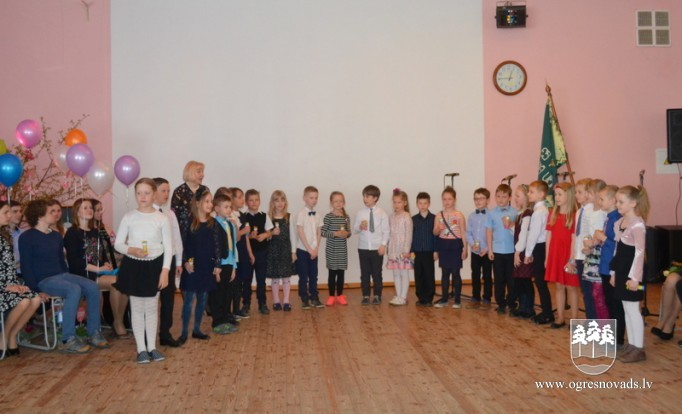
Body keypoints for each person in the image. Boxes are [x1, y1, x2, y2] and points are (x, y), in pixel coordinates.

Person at [20, 199, 110, 354]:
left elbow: (61, 261)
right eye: (51, 212)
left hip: (62, 275)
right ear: (40, 216)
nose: (56, 214)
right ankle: (67, 339)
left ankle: (93, 332)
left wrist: (67, 276)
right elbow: (26, 266)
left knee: (92, 286)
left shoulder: (55, 236)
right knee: (73, 289)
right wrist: (35, 290)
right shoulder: (27, 237)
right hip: (43, 280)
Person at [114, 178, 172, 363]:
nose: (143, 197)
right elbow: (118, 244)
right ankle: (141, 349)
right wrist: (132, 250)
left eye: (147, 193)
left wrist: (165, 271)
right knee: (137, 308)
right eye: (139, 193)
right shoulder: (129, 217)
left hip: (155, 266)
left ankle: (152, 347)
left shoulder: (162, 218)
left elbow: (168, 247)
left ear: (153, 194)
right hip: (134, 265)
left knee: (152, 307)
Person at [63, 199, 129, 338]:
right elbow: (75, 262)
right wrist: (98, 269)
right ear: (77, 212)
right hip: (82, 274)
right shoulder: (72, 233)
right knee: (116, 282)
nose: (90, 210)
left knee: (124, 281)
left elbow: (102, 255)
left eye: (90, 208)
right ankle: (117, 323)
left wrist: (106, 264)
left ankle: (119, 320)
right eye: (85, 208)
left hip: (98, 272)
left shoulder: (94, 232)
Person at [612, 185, 650, 363]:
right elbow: (617, 250)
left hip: (633, 272)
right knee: (626, 308)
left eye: (621, 202)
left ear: (633, 203)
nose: (617, 204)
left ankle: (639, 348)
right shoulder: (620, 223)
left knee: (633, 309)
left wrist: (635, 278)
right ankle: (632, 344)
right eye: (617, 201)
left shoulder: (638, 225)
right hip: (621, 270)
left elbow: (640, 253)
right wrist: (613, 272)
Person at [179, 188, 223, 342]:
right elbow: (183, 244)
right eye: (207, 201)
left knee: (202, 299)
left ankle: (196, 330)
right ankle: (184, 332)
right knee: (188, 300)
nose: (210, 204)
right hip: (192, 266)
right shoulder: (189, 222)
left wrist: (217, 264)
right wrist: (186, 262)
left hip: (206, 266)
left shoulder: (213, 223)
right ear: (197, 203)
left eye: (211, 201)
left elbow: (217, 245)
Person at [0, 201, 41, 357]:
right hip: (2, 289)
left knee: (35, 299)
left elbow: (8, 268)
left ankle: (11, 335)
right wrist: (5, 287)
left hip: (9, 285)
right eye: (6, 212)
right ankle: (3, 337)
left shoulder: (4, 236)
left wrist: (16, 285)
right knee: (22, 301)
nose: (9, 215)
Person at [153, 178, 184, 347]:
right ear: (154, 192)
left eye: (168, 191)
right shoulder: (148, 213)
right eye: (163, 191)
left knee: (168, 298)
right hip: (153, 260)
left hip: (169, 260)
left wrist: (178, 261)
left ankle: (165, 333)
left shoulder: (169, 214)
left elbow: (176, 238)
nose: (167, 194)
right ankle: (148, 335)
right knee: (151, 299)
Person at [593, 185, 625, 346]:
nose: (599, 202)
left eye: (602, 199)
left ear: (612, 200)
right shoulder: (609, 217)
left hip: (612, 267)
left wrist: (603, 238)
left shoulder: (617, 219)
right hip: (605, 265)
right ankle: (612, 336)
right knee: (609, 302)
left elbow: (619, 246)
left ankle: (618, 339)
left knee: (615, 304)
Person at [544, 182, 577, 328]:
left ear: (568, 196)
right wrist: (547, 257)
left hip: (568, 255)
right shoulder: (552, 213)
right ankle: (560, 317)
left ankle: (575, 319)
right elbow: (549, 237)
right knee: (558, 286)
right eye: (555, 194)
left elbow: (574, 239)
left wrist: (572, 259)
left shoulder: (574, 215)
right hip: (555, 254)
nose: (556, 197)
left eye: (560, 194)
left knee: (571, 287)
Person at [574, 178, 606, 320]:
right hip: (586, 255)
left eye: (589, 193)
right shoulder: (586, 212)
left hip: (595, 257)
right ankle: (591, 321)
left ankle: (598, 324)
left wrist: (591, 244)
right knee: (587, 292)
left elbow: (599, 235)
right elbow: (584, 233)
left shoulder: (602, 214)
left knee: (596, 294)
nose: (586, 195)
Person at [354, 185, 389, 305]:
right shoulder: (360, 213)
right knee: (365, 273)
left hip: (377, 248)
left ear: (375, 198)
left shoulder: (382, 213)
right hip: (363, 247)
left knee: (377, 273)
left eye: (367, 196)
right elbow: (355, 229)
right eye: (364, 196)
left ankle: (377, 295)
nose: (365, 199)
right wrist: (360, 227)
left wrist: (383, 245)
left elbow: (386, 231)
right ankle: (365, 295)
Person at [210, 193, 240, 333]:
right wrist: (216, 267)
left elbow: (233, 246)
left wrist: (234, 266)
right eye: (226, 207)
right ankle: (217, 321)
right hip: (219, 265)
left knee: (228, 293)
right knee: (218, 294)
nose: (229, 210)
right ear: (217, 208)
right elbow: (214, 247)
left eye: (230, 207)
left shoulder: (230, 224)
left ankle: (226, 319)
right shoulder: (213, 224)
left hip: (229, 263)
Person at [433, 186, 467, 308]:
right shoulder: (439, 215)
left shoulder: (459, 215)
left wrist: (465, 248)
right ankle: (444, 299)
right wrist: (438, 228)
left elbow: (463, 232)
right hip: (443, 245)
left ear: (454, 200)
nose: (447, 202)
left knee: (456, 273)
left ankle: (457, 300)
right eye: (444, 199)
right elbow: (435, 232)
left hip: (456, 245)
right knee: (445, 273)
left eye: (449, 199)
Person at [486, 184, 517, 313]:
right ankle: (501, 303)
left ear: (509, 197)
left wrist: (512, 223)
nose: (501, 199)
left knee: (512, 279)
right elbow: (489, 231)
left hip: (511, 251)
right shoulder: (491, 213)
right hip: (497, 251)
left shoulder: (515, 212)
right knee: (499, 279)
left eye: (504, 196)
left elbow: (518, 231)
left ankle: (512, 302)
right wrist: (490, 249)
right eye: (498, 196)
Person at [241, 189, 273, 315]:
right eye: (251, 200)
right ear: (246, 202)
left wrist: (265, 235)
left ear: (259, 201)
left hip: (262, 252)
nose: (254, 203)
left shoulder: (264, 215)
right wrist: (249, 236)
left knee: (261, 279)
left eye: (256, 200)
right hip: (248, 253)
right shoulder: (243, 217)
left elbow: (270, 232)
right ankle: (246, 304)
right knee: (247, 279)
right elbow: (241, 235)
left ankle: (262, 303)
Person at [524, 181, 552, 323]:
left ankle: (547, 313)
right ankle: (546, 311)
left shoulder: (539, 212)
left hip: (539, 247)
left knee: (540, 282)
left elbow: (533, 235)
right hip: (540, 246)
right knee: (540, 282)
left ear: (541, 194)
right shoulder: (541, 210)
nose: (528, 194)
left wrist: (528, 254)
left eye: (531, 192)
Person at [266, 190, 296, 311]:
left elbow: (293, 235)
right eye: (277, 200)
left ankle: (286, 301)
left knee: (286, 277)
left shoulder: (289, 217)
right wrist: (271, 233)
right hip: (273, 250)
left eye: (282, 200)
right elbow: (266, 236)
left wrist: (293, 252)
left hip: (285, 250)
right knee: (275, 277)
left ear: (285, 202)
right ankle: (276, 301)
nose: (280, 203)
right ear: (272, 203)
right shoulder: (268, 217)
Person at [296, 186, 323, 309]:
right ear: (304, 198)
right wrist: (309, 249)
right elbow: (300, 232)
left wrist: (316, 249)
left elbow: (319, 232)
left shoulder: (318, 215)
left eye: (316, 198)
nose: (314, 200)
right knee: (303, 276)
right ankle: (304, 298)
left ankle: (314, 297)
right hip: (303, 250)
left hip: (314, 251)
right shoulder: (301, 214)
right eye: (311, 198)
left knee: (313, 275)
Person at [321, 191, 351, 306]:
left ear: (344, 202)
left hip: (342, 251)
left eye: (341, 201)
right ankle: (331, 296)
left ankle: (340, 296)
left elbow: (349, 232)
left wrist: (346, 234)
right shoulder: (328, 217)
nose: (338, 203)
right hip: (332, 250)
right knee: (332, 274)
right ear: (331, 203)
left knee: (341, 274)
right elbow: (323, 232)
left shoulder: (346, 217)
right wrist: (335, 233)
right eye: (336, 201)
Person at [465, 188, 492, 310]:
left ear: (487, 200)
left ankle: (487, 298)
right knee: (475, 274)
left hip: (487, 251)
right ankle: (475, 297)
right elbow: (468, 233)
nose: (478, 201)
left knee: (487, 275)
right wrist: (472, 244)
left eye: (481, 198)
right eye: (476, 199)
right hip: (475, 251)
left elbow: (494, 234)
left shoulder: (491, 215)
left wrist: (486, 248)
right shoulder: (471, 216)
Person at [510, 184, 534, 319]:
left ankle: (528, 308)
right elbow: (518, 233)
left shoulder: (527, 214)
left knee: (525, 281)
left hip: (523, 253)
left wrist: (517, 252)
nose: (515, 198)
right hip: (520, 251)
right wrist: (510, 227)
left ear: (526, 197)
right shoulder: (520, 214)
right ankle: (522, 307)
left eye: (518, 196)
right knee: (520, 280)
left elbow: (524, 235)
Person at [171, 160, 208, 244]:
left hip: (203, 230)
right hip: (185, 233)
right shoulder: (179, 191)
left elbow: (209, 210)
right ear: (190, 173)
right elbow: (174, 215)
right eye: (199, 172)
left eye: (202, 172)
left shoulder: (205, 190)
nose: (202, 174)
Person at [411, 192, 437, 307]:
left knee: (429, 274)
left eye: (425, 203)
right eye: (420, 203)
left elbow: (436, 236)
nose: (422, 205)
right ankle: (421, 297)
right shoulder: (413, 219)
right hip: (417, 251)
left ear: (429, 204)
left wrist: (436, 250)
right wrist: (411, 251)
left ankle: (429, 298)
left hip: (429, 251)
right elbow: (411, 236)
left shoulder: (434, 218)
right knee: (419, 275)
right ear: (417, 204)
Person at [387, 189, 413, 306]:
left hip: (403, 251)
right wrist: (389, 248)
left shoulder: (406, 216)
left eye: (399, 202)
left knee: (404, 273)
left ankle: (403, 297)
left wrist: (406, 250)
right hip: (393, 250)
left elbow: (409, 234)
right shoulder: (391, 216)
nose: (396, 205)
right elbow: (389, 234)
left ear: (405, 203)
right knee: (396, 273)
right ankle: (398, 295)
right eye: (394, 202)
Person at [229, 187, 251, 319]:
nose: (242, 200)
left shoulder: (242, 215)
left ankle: (237, 309)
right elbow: (235, 236)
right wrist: (244, 231)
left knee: (241, 281)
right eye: (239, 197)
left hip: (242, 252)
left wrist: (250, 253)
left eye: (243, 197)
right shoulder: (229, 215)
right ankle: (232, 310)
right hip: (234, 252)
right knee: (234, 282)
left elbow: (246, 238)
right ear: (231, 199)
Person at [8, 201, 23, 276]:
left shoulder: (23, 234)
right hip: (7, 275)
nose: (19, 214)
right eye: (15, 211)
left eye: (20, 211)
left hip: (23, 274)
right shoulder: (3, 236)